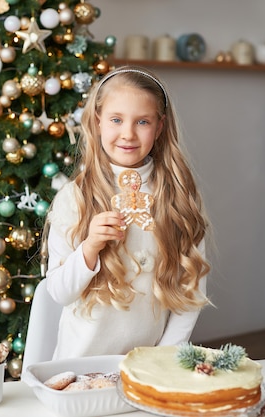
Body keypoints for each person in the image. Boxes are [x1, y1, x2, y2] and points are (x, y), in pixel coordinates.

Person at [42, 66, 210, 359]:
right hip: (78, 364)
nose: (128, 134)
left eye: (142, 121)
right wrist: (90, 247)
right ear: (98, 122)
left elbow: (190, 292)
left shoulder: (176, 198)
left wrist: (162, 359)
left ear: (159, 127)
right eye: (116, 119)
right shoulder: (75, 198)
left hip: (146, 366)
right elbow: (58, 292)